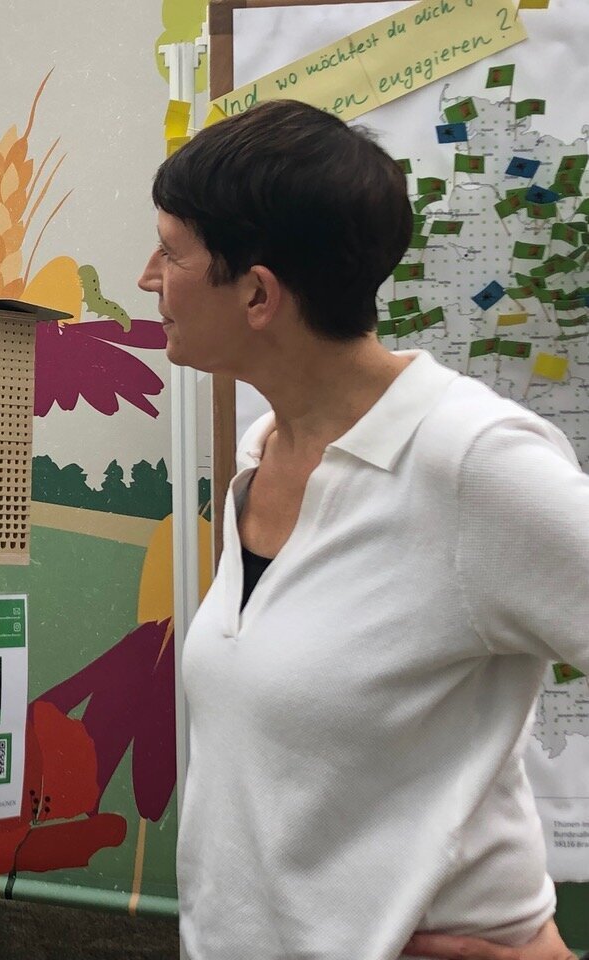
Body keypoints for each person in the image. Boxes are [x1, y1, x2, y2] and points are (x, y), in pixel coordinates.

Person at [138, 99, 586, 960]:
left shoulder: (471, 460)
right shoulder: (263, 456)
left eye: (171, 250)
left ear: (258, 293)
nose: (148, 276)